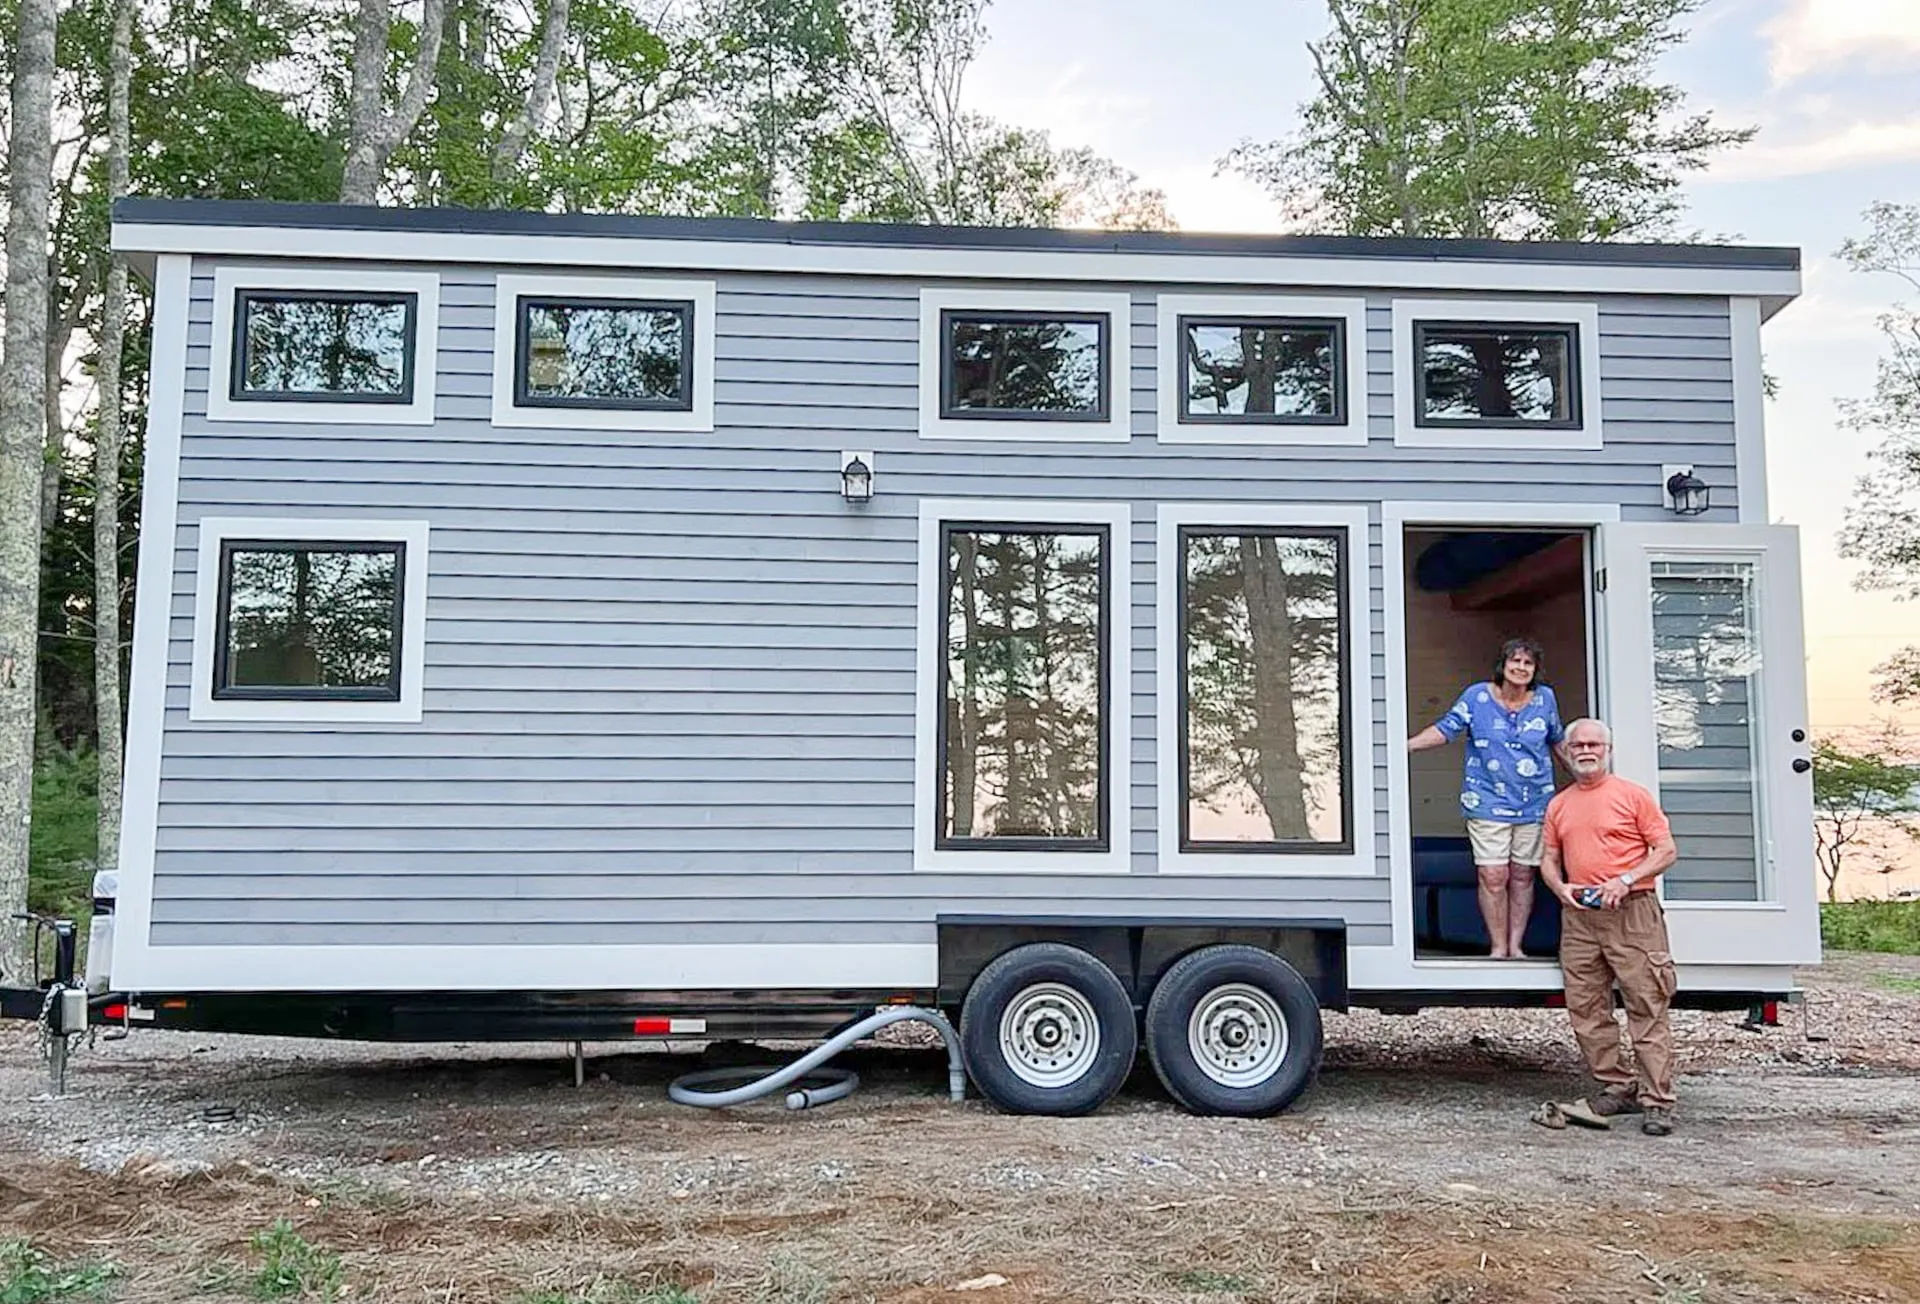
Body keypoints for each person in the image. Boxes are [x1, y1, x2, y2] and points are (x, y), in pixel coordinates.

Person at [1539, 718, 1681, 1136]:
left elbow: (1666, 850)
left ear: (1608, 750)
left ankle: (1658, 1102)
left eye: (1594, 744)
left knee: (1646, 1005)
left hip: (1632, 911)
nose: (1585, 750)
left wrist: (1624, 880)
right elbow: (1548, 857)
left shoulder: (1632, 796)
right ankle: (1616, 1086)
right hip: (1580, 916)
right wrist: (1559, 886)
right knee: (1586, 1008)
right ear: (1566, 752)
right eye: (1577, 744)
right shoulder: (1559, 804)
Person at [1407, 638, 1567, 958]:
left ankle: (1515, 946)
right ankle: (1497, 947)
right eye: (1515, 661)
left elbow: (1558, 740)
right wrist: (1406, 746)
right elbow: (1447, 728)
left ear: (1535, 670)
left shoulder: (1545, 699)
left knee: (1523, 875)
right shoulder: (1477, 696)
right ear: (1503, 665)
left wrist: (1588, 778)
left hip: (1534, 801)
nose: (1521, 668)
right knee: (1493, 874)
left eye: (1528, 663)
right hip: (1486, 798)